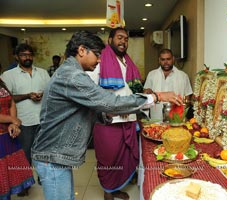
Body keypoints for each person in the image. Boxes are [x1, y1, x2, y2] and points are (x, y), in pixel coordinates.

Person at [30, 30, 182, 200]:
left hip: (56, 154)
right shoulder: (72, 76)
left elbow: (85, 108)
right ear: (81, 50)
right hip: (52, 156)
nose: (100, 60)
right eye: (96, 55)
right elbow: (110, 101)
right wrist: (157, 96)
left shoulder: (71, 72)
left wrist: (105, 115)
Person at [87, 27, 145, 200]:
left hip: (128, 118)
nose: (123, 42)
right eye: (119, 38)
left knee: (123, 157)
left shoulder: (128, 61)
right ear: (110, 39)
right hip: (108, 121)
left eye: (126, 39)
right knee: (108, 157)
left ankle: (116, 188)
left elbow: (130, 89)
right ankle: (107, 191)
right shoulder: (100, 60)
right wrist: (108, 109)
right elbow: (91, 91)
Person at [1, 43, 50, 194]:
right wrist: (28, 95)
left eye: (29, 54)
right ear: (17, 57)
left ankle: (45, 178)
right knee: (24, 154)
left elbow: (51, 92)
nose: (27, 57)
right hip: (23, 121)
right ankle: (24, 184)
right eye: (23, 55)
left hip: (43, 119)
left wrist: (42, 95)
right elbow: (8, 98)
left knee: (44, 152)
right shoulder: (8, 76)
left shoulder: (42, 73)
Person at [0, 78, 35, 199]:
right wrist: (12, 120)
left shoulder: (1, 82)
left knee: (7, 173)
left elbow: (11, 103)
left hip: (7, 134)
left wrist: (13, 124)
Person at [143, 48, 193, 120]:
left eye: (168, 59)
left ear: (173, 59)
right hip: (156, 119)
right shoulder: (151, 75)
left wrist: (181, 114)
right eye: (163, 60)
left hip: (177, 120)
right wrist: (147, 92)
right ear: (159, 60)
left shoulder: (183, 76)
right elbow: (146, 96)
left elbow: (187, 98)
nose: (166, 62)